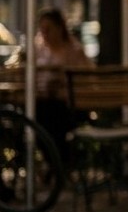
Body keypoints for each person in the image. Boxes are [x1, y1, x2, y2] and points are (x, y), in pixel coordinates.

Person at [32, 8, 90, 154]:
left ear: (59, 28)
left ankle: (56, 163)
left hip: (69, 106)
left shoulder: (74, 51)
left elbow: (84, 80)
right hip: (45, 102)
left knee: (46, 117)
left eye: (48, 29)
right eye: (42, 29)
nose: (44, 33)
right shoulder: (40, 51)